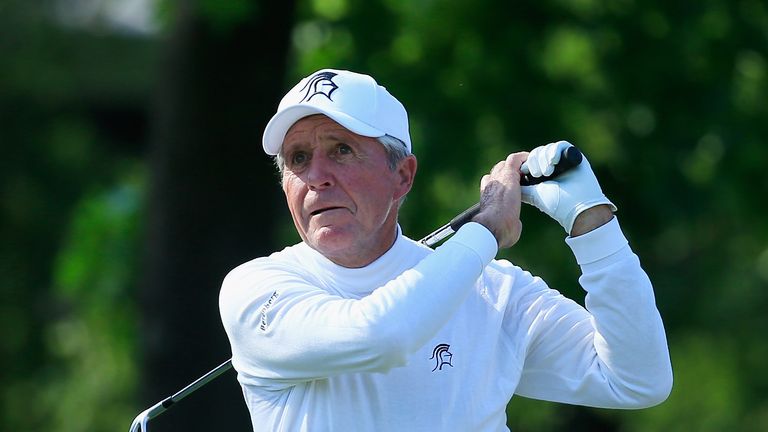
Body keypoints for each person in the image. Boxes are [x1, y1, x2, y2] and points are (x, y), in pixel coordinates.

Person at [219, 69, 673, 431]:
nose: (316, 176)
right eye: (298, 158)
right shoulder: (255, 289)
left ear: (403, 176)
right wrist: (487, 231)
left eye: (341, 150)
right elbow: (381, 337)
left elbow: (637, 380)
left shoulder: (493, 290)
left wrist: (593, 226)